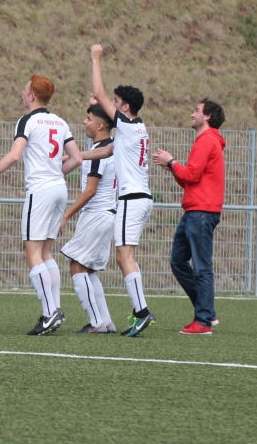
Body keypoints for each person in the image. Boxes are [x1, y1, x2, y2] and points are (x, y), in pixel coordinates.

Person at [0, 76, 82, 336]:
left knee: (32, 253)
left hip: (41, 190)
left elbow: (14, 155)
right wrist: (55, 173)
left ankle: (49, 313)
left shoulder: (28, 120)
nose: (22, 93)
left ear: (32, 96)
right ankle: (54, 310)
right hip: (59, 189)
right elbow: (77, 158)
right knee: (46, 252)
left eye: (25, 90)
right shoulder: (60, 121)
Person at [85, 44, 157, 337]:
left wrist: (96, 60)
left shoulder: (126, 123)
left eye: (116, 102)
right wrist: (74, 156)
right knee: (124, 256)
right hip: (141, 198)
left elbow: (98, 94)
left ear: (125, 107)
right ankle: (141, 311)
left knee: (124, 257)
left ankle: (141, 312)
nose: (111, 104)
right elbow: (106, 151)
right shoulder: (136, 128)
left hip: (131, 199)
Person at [152, 99, 226, 336]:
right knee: (178, 262)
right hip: (194, 210)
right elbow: (189, 179)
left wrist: (172, 161)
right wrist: (173, 167)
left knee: (202, 267)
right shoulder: (206, 140)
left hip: (201, 212)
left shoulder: (207, 140)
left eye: (196, 111)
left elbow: (191, 175)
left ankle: (203, 321)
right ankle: (207, 311)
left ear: (207, 116)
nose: (192, 114)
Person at [60, 104, 117, 333]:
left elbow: (90, 190)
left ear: (100, 125)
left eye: (89, 118)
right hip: (106, 214)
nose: (85, 122)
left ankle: (96, 323)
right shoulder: (107, 148)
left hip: (97, 215)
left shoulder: (100, 152)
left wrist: (66, 215)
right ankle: (106, 321)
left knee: (77, 265)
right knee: (89, 269)